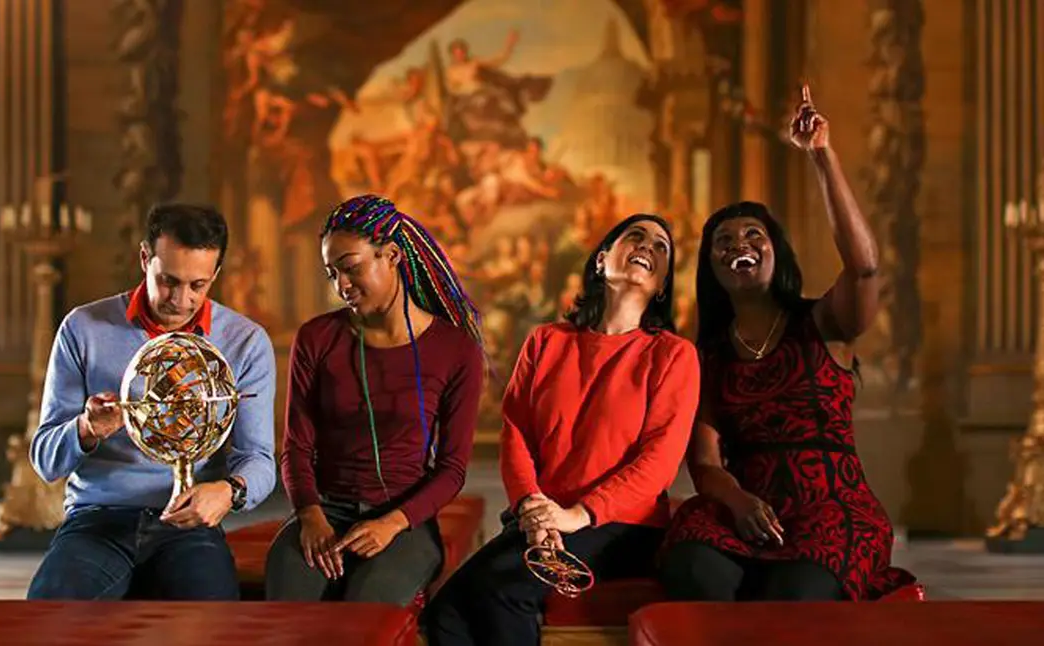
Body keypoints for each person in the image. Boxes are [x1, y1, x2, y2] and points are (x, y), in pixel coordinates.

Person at [658, 86, 917, 601]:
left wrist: (822, 156)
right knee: (689, 566)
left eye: (754, 236)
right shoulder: (708, 355)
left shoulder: (823, 322)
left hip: (832, 509)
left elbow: (865, 266)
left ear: (777, 253)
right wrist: (738, 502)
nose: (739, 247)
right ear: (712, 268)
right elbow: (706, 463)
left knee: (791, 594)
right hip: (746, 507)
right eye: (723, 243)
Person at [424, 214, 700, 646]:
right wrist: (533, 509)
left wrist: (576, 516)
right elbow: (515, 431)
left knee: (503, 591)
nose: (648, 246)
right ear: (601, 260)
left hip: (619, 526)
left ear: (663, 285)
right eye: (635, 236)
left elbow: (658, 465)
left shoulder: (673, 355)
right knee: (445, 615)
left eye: (661, 246)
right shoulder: (546, 341)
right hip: (540, 515)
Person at [26, 203, 277, 600]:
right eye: (168, 281)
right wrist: (87, 429)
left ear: (216, 274)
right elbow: (45, 461)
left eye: (198, 285)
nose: (180, 300)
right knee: (49, 618)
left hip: (187, 526)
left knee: (213, 624)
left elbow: (259, 458)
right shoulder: (82, 328)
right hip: (97, 521)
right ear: (145, 258)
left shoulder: (246, 342)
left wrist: (228, 490)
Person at [266, 194, 486, 606]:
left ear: (392, 255)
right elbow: (296, 446)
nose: (341, 286)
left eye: (351, 268)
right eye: (331, 274)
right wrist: (310, 516)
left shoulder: (456, 349)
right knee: (286, 615)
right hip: (324, 511)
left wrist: (391, 524)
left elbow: (452, 470)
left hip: (405, 522)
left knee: (363, 613)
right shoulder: (316, 338)